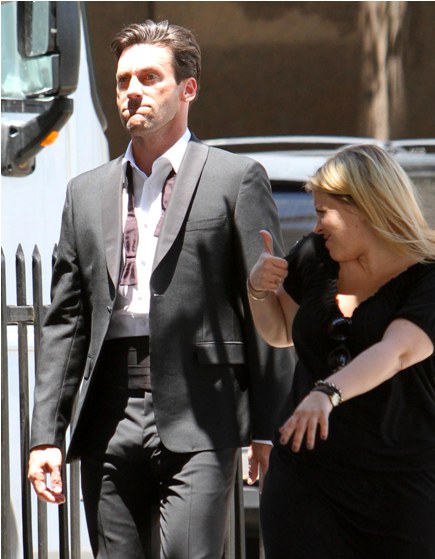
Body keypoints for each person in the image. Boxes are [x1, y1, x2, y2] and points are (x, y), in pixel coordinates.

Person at [27, 20, 293, 559]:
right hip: (108, 411)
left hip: (203, 410)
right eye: (123, 80)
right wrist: (46, 435)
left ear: (188, 88)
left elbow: (264, 306)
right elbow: (65, 321)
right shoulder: (85, 193)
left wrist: (266, 428)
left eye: (150, 77)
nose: (132, 91)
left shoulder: (236, 179)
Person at [247, 144, 435, 559]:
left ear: (365, 208)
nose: (316, 226)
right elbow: (280, 331)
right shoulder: (315, 256)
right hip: (308, 482)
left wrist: (327, 393)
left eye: (323, 212)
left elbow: (398, 351)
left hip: (405, 485)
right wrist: (258, 290)